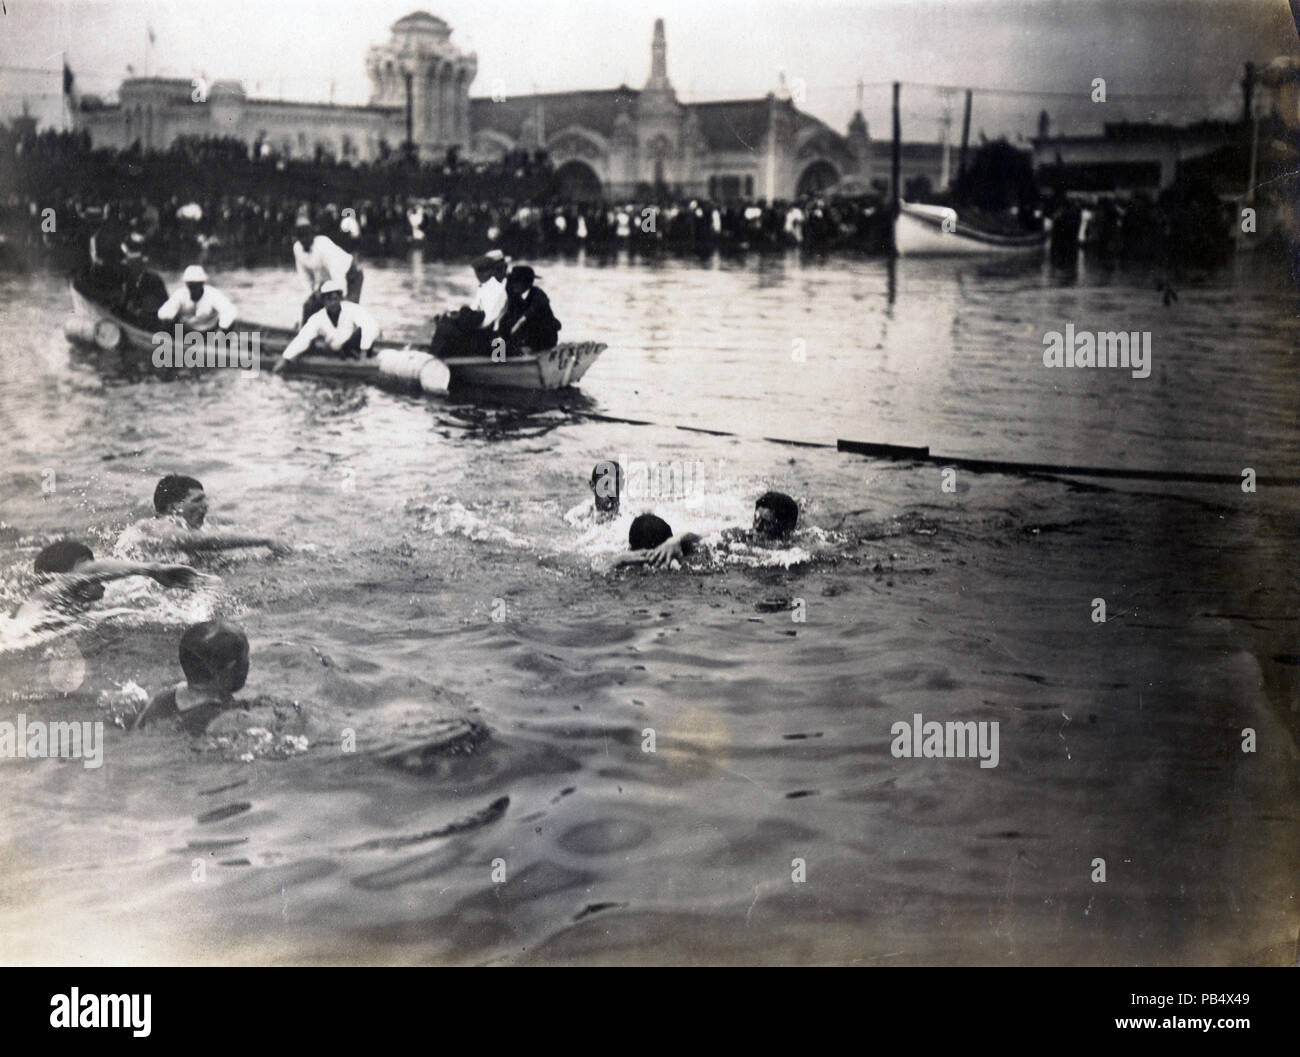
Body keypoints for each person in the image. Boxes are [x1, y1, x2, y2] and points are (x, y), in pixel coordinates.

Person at [10, 539, 199, 631]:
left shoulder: (64, 609)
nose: (102, 579)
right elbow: (87, 573)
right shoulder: (43, 596)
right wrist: (152, 569)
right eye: (88, 565)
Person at [116, 474, 290, 556]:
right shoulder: (153, 525)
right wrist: (265, 540)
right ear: (173, 507)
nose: (206, 506)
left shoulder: (183, 527)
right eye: (198, 500)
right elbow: (197, 541)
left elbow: (215, 537)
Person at [621, 491, 801, 569]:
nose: (756, 528)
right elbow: (701, 537)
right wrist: (675, 540)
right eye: (756, 520)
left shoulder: (793, 551)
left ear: (785, 529)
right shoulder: (740, 535)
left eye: (766, 524)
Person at [132, 620, 250, 734]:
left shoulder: (159, 699)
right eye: (246, 657)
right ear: (231, 666)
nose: (250, 662)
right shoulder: (228, 719)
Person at [274, 280, 380, 372]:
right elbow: (303, 337)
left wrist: (364, 352)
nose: (333, 303)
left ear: (340, 298)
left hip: (357, 347)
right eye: (329, 300)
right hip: (340, 351)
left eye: (335, 298)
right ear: (324, 301)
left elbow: (370, 325)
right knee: (308, 341)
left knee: (365, 329)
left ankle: (362, 354)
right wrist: (286, 358)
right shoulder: (318, 318)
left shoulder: (352, 309)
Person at [428, 251, 509, 358]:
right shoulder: (484, 289)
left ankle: (433, 358)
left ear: (491, 271)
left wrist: (459, 321)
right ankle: (434, 355)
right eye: (477, 271)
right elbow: (473, 311)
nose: (478, 275)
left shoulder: (498, 292)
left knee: (446, 328)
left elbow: (485, 323)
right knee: (445, 322)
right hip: (481, 334)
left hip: (492, 340)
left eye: (482, 271)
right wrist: (455, 317)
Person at [293, 217, 363, 324]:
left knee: (345, 308)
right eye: (301, 236)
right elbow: (304, 277)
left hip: (351, 275)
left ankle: (354, 333)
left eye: (307, 234)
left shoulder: (323, 245)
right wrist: (313, 294)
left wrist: (340, 297)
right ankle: (306, 334)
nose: (305, 239)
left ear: (312, 234)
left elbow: (337, 273)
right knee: (309, 306)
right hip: (327, 279)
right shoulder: (297, 249)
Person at [156, 265, 237, 332]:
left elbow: (229, 310)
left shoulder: (213, 294)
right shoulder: (180, 294)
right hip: (186, 331)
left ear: (202, 283)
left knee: (230, 324)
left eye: (197, 284)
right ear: (187, 284)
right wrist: (168, 317)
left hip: (210, 331)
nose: (194, 287)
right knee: (166, 323)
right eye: (191, 284)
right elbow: (164, 311)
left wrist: (222, 329)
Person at [500, 265, 561, 352]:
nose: (513, 284)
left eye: (517, 281)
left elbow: (523, 319)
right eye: (512, 280)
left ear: (527, 282)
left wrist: (508, 338)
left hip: (544, 339)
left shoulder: (538, 295)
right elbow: (507, 316)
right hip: (524, 336)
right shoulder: (514, 295)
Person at [564, 461, 623, 527]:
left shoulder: (626, 516)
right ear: (593, 486)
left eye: (617, 485)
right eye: (606, 485)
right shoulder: (576, 516)